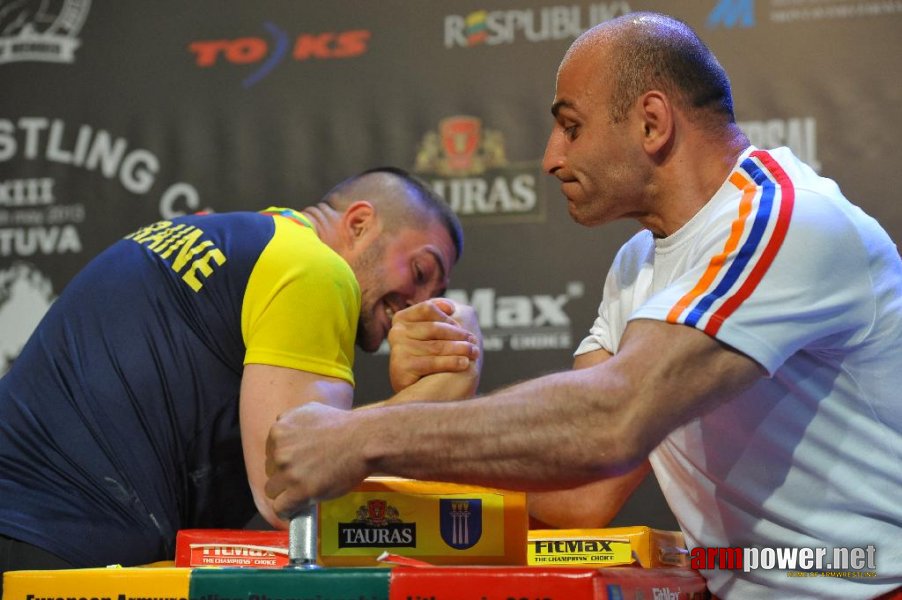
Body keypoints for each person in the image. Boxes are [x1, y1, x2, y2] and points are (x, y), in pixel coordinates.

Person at [263, 13, 902, 599]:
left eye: (571, 126)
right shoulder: (636, 266)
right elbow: (581, 494)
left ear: (652, 123)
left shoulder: (786, 219)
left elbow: (611, 417)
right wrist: (433, 399)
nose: (550, 158)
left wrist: (362, 435)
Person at [0, 166, 482, 579]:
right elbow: (291, 487)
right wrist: (445, 389)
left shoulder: (226, 239)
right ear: (358, 224)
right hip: (55, 551)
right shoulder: (314, 269)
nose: (417, 305)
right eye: (420, 272)